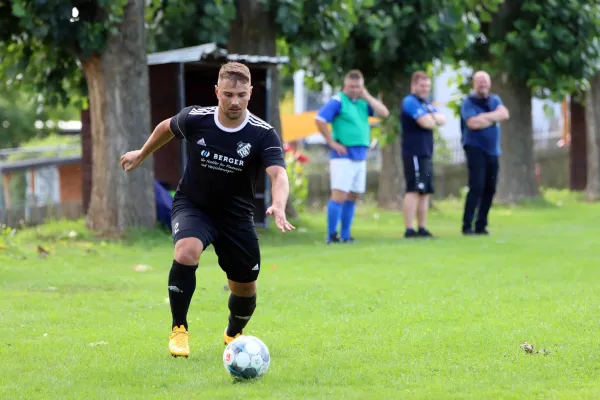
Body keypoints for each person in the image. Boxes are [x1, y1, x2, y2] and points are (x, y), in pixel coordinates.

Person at [120, 62, 294, 358]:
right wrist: (141, 153)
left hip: (236, 218)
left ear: (251, 92)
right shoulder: (196, 118)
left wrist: (278, 205)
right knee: (186, 251)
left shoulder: (262, 134)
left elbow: (278, 175)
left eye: (241, 94)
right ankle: (179, 329)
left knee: (245, 290)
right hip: (194, 205)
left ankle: (233, 333)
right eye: (228, 94)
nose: (234, 101)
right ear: (217, 91)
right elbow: (166, 127)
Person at [315, 70, 389, 244]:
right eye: (351, 86)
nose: (354, 89)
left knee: (354, 194)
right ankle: (332, 235)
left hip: (360, 155)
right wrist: (331, 142)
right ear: (345, 85)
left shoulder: (363, 102)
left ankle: (345, 235)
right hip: (343, 155)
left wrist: (367, 96)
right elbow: (319, 119)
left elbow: (384, 113)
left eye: (358, 86)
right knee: (339, 194)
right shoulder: (338, 100)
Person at [460, 71, 510, 235]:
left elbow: (504, 114)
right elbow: (472, 123)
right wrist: (493, 117)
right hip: (475, 149)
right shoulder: (468, 102)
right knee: (477, 186)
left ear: (489, 84)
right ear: (474, 84)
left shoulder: (495, 100)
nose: (482, 84)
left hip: (493, 150)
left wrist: (484, 117)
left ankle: (481, 225)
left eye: (485, 82)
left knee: (491, 187)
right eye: (479, 82)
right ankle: (467, 225)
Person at [400, 71, 446, 238]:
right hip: (414, 152)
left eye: (427, 86)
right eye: (421, 86)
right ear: (413, 85)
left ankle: (422, 228)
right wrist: (434, 119)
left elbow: (443, 119)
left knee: (425, 191)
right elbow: (426, 123)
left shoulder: (425, 103)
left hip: (426, 152)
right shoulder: (410, 102)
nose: (424, 89)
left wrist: (433, 118)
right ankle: (409, 229)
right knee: (413, 189)